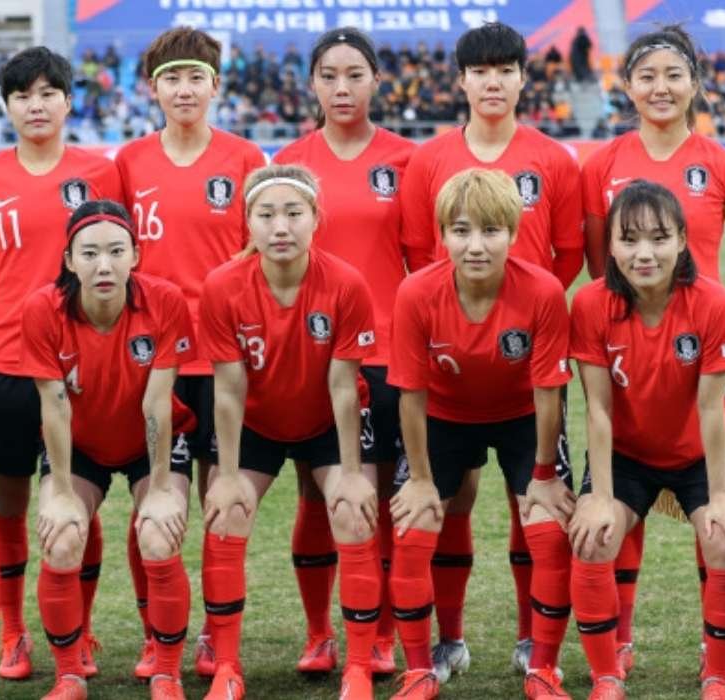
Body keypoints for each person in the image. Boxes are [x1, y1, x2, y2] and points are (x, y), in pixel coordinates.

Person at [580, 25, 725, 675]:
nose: (660, 87)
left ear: (695, 82)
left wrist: (718, 332)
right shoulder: (600, 166)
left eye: (673, 75)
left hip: (704, 360)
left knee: (714, 503)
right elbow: (597, 266)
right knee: (621, 489)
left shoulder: (724, 165)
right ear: (627, 86)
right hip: (625, 357)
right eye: (646, 76)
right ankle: (619, 641)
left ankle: (714, 653)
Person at [397, 21, 583, 681]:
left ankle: (535, 648)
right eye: (480, 71)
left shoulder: (554, 160)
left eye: (506, 69)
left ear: (524, 78)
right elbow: (418, 252)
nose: (493, 82)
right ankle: (444, 645)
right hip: (452, 372)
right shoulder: (429, 160)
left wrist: (522, 315)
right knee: (443, 506)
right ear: (462, 80)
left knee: (536, 510)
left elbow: (568, 253)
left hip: (526, 372)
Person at [0, 46, 123, 683]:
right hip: (5, 362)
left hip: (80, 364)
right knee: (9, 502)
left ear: (69, 102)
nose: (36, 105)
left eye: (48, 93)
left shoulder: (99, 171)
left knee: (79, 500)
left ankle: (80, 630)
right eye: (23, 95)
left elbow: (121, 264)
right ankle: (14, 632)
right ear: (6, 106)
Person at [271, 26, 427, 678]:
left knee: (377, 497)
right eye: (329, 75)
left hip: (386, 354)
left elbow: (422, 264)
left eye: (354, 75)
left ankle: (382, 634)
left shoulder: (407, 160)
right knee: (317, 495)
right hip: (312, 356)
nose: (342, 87)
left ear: (376, 81)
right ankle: (318, 634)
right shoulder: (290, 161)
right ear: (311, 83)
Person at [387, 170, 575, 700]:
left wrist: (544, 475)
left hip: (522, 416)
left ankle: (542, 665)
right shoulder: (416, 292)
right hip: (444, 417)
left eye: (491, 231)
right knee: (414, 526)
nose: (475, 246)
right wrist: (419, 479)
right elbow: (411, 396)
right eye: (461, 230)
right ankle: (423, 667)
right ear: (442, 234)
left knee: (548, 527)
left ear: (513, 232)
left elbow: (549, 393)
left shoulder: (542, 290)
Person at [197, 164, 381, 700]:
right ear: (247, 222)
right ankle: (227, 667)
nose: (280, 227)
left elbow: (343, 387)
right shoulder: (222, 286)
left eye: (294, 213)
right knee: (225, 513)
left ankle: (356, 667)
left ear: (316, 218)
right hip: (257, 423)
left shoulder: (346, 283)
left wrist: (352, 473)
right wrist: (228, 475)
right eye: (266, 215)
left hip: (325, 421)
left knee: (352, 510)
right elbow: (228, 390)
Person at [115, 26, 266, 680]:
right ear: (153, 89)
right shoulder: (129, 162)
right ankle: (157, 631)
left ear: (215, 85)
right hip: (156, 362)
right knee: (153, 498)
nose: (184, 89)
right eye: (171, 79)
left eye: (195, 78)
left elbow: (259, 252)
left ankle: (211, 631)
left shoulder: (245, 157)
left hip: (225, 358)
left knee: (219, 499)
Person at [568, 180, 725, 700]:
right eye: (628, 240)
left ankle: (717, 673)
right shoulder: (590, 304)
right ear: (610, 246)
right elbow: (598, 408)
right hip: (628, 454)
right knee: (593, 538)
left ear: (682, 241)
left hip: (700, 453)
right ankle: (607, 673)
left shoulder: (714, 303)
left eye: (658, 238)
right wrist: (600, 497)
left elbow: (711, 408)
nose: (644, 253)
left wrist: (721, 495)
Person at [18, 200, 197, 700]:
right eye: (90, 253)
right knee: (61, 536)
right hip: (80, 445)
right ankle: (69, 674)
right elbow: (54, 406)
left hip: (150, 443)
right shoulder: (42, 309)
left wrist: (159, 488)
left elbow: (157, 404)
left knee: (158, 532)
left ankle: (166, 672)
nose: (104, 265)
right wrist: (58, 491)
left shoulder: (165, 301)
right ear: (69, 260)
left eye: (117, 251)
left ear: (136, 254)